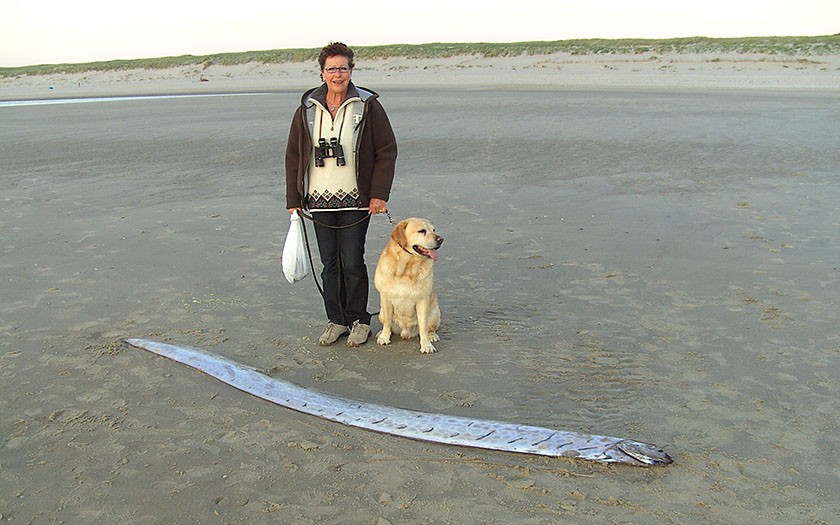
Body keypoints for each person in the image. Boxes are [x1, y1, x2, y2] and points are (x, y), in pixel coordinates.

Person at [285, 42, 398, 347]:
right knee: (329, 264)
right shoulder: (307, 107)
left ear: (351, 70)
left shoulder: (367, 105)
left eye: (343, 68)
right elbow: (294, 154)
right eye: (331, 68)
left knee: (351, 260)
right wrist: (293, 200)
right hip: (318, 201)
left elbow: (386, 151)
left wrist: (378, 194)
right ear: (322, 72)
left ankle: (359, 320)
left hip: (356, 201)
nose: (338, 74)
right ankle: (336, 320)